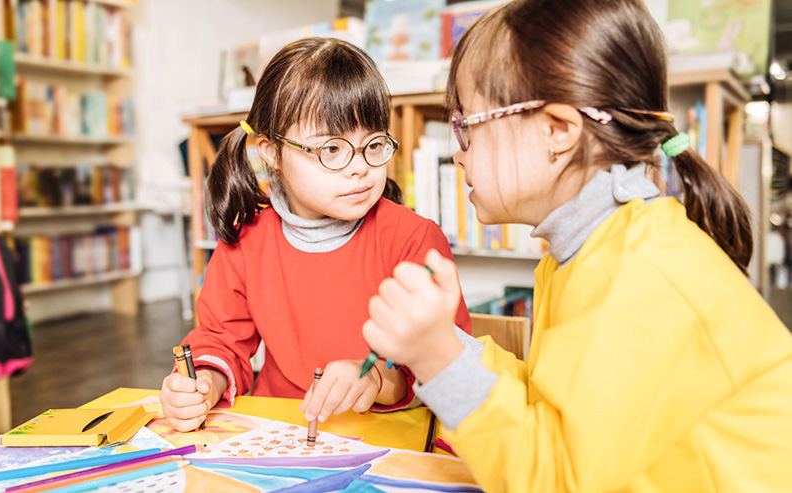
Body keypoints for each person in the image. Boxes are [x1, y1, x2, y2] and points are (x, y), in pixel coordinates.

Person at [362, 1, 792, 491]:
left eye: (466, 126)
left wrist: (438, 357)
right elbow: (549, 403)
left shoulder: (643, 274)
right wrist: (438, 343)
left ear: (558, 131)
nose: (458, 153)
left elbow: (557, 478)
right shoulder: (586, 251)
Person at [160, 37, 471, 432]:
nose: (360, 167)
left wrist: (375, 379)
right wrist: (203, 385)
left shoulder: (413, 239)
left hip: (387, 435)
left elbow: (446, 362)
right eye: (332, 150)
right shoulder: (246, 240)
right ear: (271, 152)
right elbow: (221, 339)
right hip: (278, 431)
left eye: (373, 144)